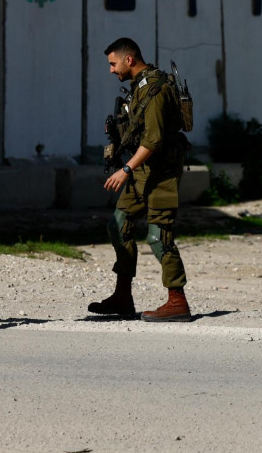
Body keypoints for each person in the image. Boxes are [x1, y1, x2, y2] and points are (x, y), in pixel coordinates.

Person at [89, 37, 194, 322]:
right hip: (143, 170)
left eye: (113, 64)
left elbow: (155, 139)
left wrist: (125, 170)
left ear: (129, 59)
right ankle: (123, 296)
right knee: (119, 223)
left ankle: (177, 301)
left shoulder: (156, 89)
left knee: (158, 235)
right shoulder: (139, 88)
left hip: (161, 172)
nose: (111, 70)